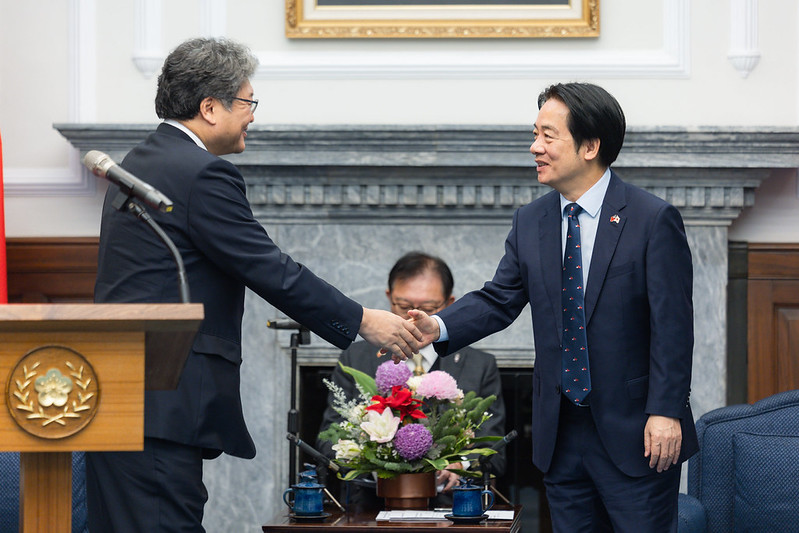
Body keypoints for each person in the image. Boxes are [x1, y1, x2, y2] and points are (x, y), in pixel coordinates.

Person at [87, 37, 421, 532]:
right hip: (160, 401)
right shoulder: (201, 173)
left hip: (125, 398)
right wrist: (364, 319)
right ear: (209, 107)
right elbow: (268, 267)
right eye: (246, 102)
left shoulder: (142, 162)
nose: (252, 115)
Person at [406, 83, 698, 532]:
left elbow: (673, 328)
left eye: (547, 135)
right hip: (561, 434)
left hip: (636, 432)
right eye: (534, 133)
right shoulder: (531, 220)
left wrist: (665, 411)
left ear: (590, 146)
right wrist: (438, 325)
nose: (534, 147)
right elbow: (498, 298)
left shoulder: (652, 219)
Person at [317, 251, 506, 505]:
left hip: (451, 512)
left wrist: (460, 466)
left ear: (450, 303)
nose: (413, 317)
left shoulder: (480, 365)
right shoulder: (356, 358)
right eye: (403, 306)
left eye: (428, 308)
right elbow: (327, 440)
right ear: (388, 297)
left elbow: (496, 451)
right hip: (370, 510)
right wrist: (374, 464)